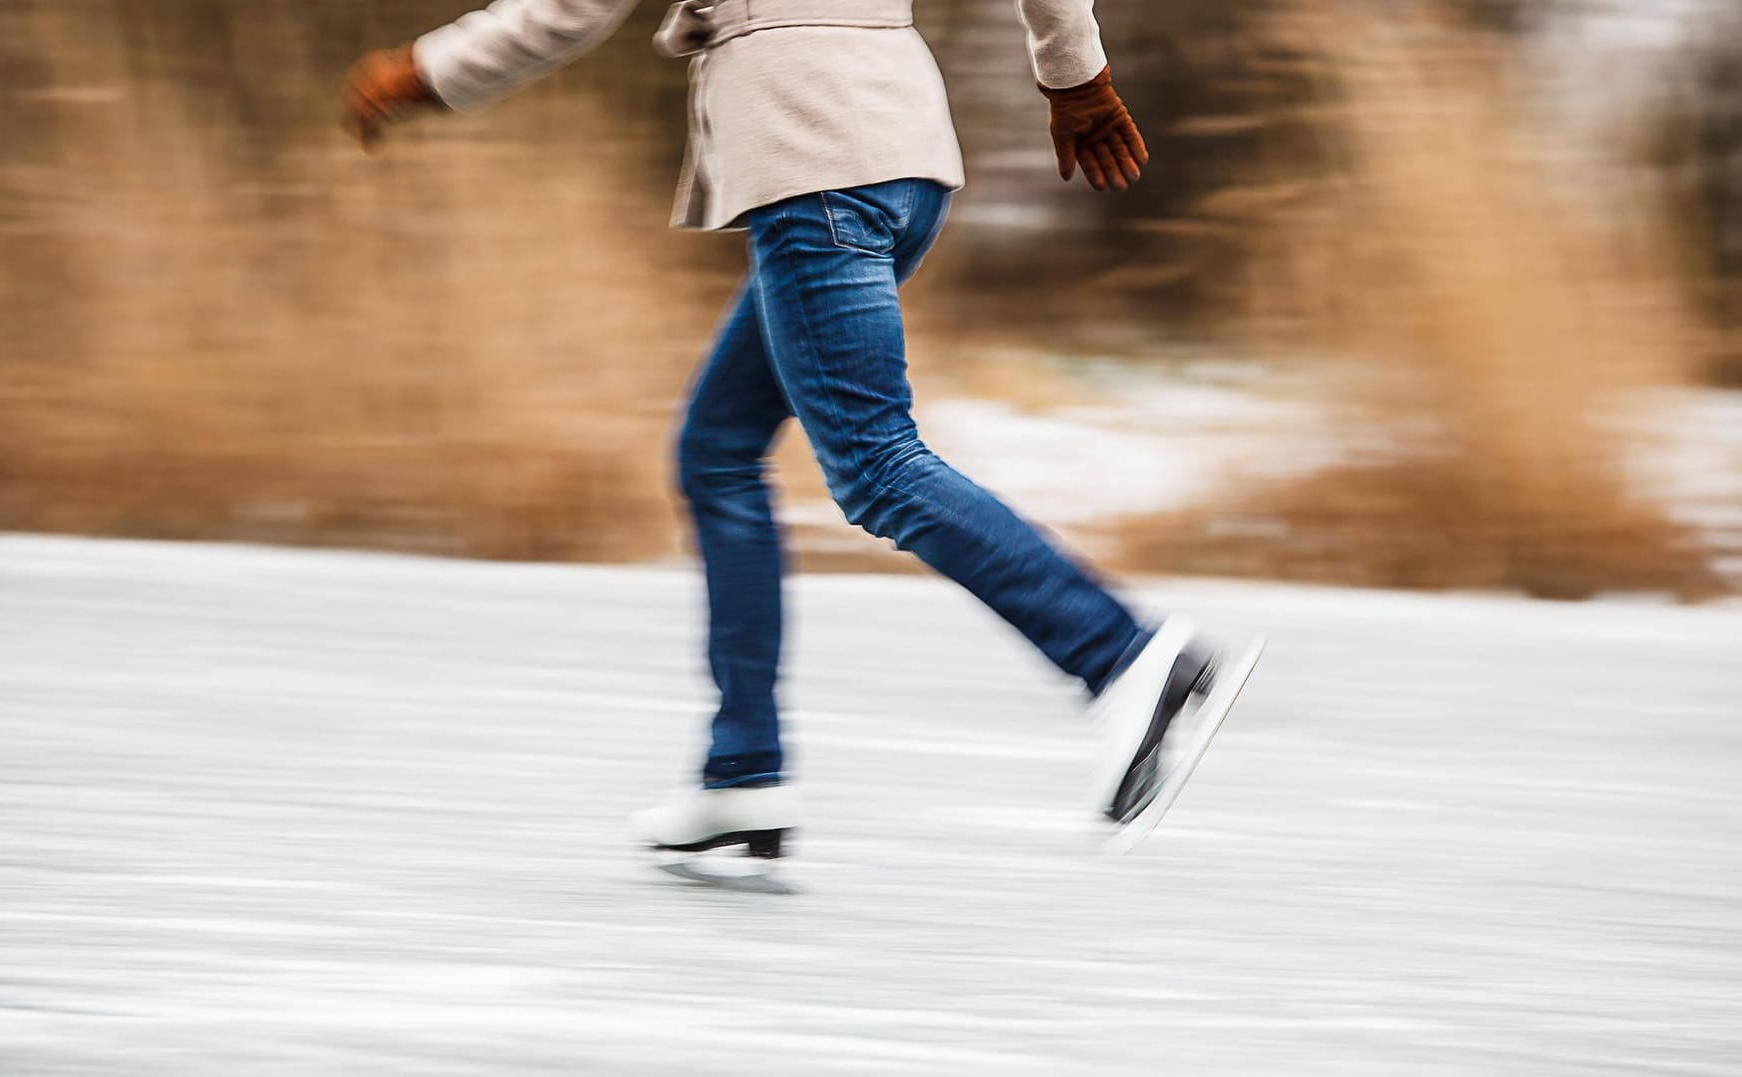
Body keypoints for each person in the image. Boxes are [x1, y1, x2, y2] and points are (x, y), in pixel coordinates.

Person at [342, 0, 1251, 879]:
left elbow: (568, 10)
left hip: (813, 157)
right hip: (899, 153)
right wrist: (1073, 74)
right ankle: (743, 772)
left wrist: (425, 71)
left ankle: (1127, 658)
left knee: (876, 466)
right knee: (718, 451)